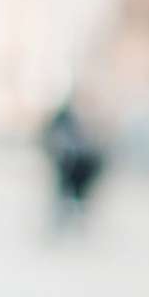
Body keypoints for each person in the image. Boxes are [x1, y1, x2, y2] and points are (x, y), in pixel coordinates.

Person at [40, 91, 105, 233]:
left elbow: (99, 144)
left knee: (78, 197)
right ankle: (63, 221)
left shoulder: (91, 119)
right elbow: (49, 137)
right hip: (66, 164)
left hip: (84, 167)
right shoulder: (63, 117)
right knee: (64, 196)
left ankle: (76, 219)